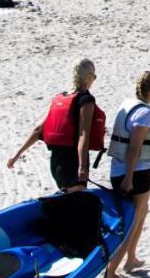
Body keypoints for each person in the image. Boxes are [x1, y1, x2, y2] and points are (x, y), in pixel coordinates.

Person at [103, 71, 150, 278]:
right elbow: (134, 148)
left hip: (119, 170)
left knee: (142, 212)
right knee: (133, 219)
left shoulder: (127, 106)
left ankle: (131, 258)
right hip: (134, 173)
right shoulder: (144, 114)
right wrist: (129, 177)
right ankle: (111, 273)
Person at [8, 59, 103, 194]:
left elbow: (38, 129)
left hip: (56, 165)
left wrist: (17, 154)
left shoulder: (60, 99)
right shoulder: (86, 100)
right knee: (77, 209)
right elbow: (83, 135)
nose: (94, 80)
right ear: (88, 78)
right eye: (94, 76)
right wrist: (82, 168)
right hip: (72, 164)